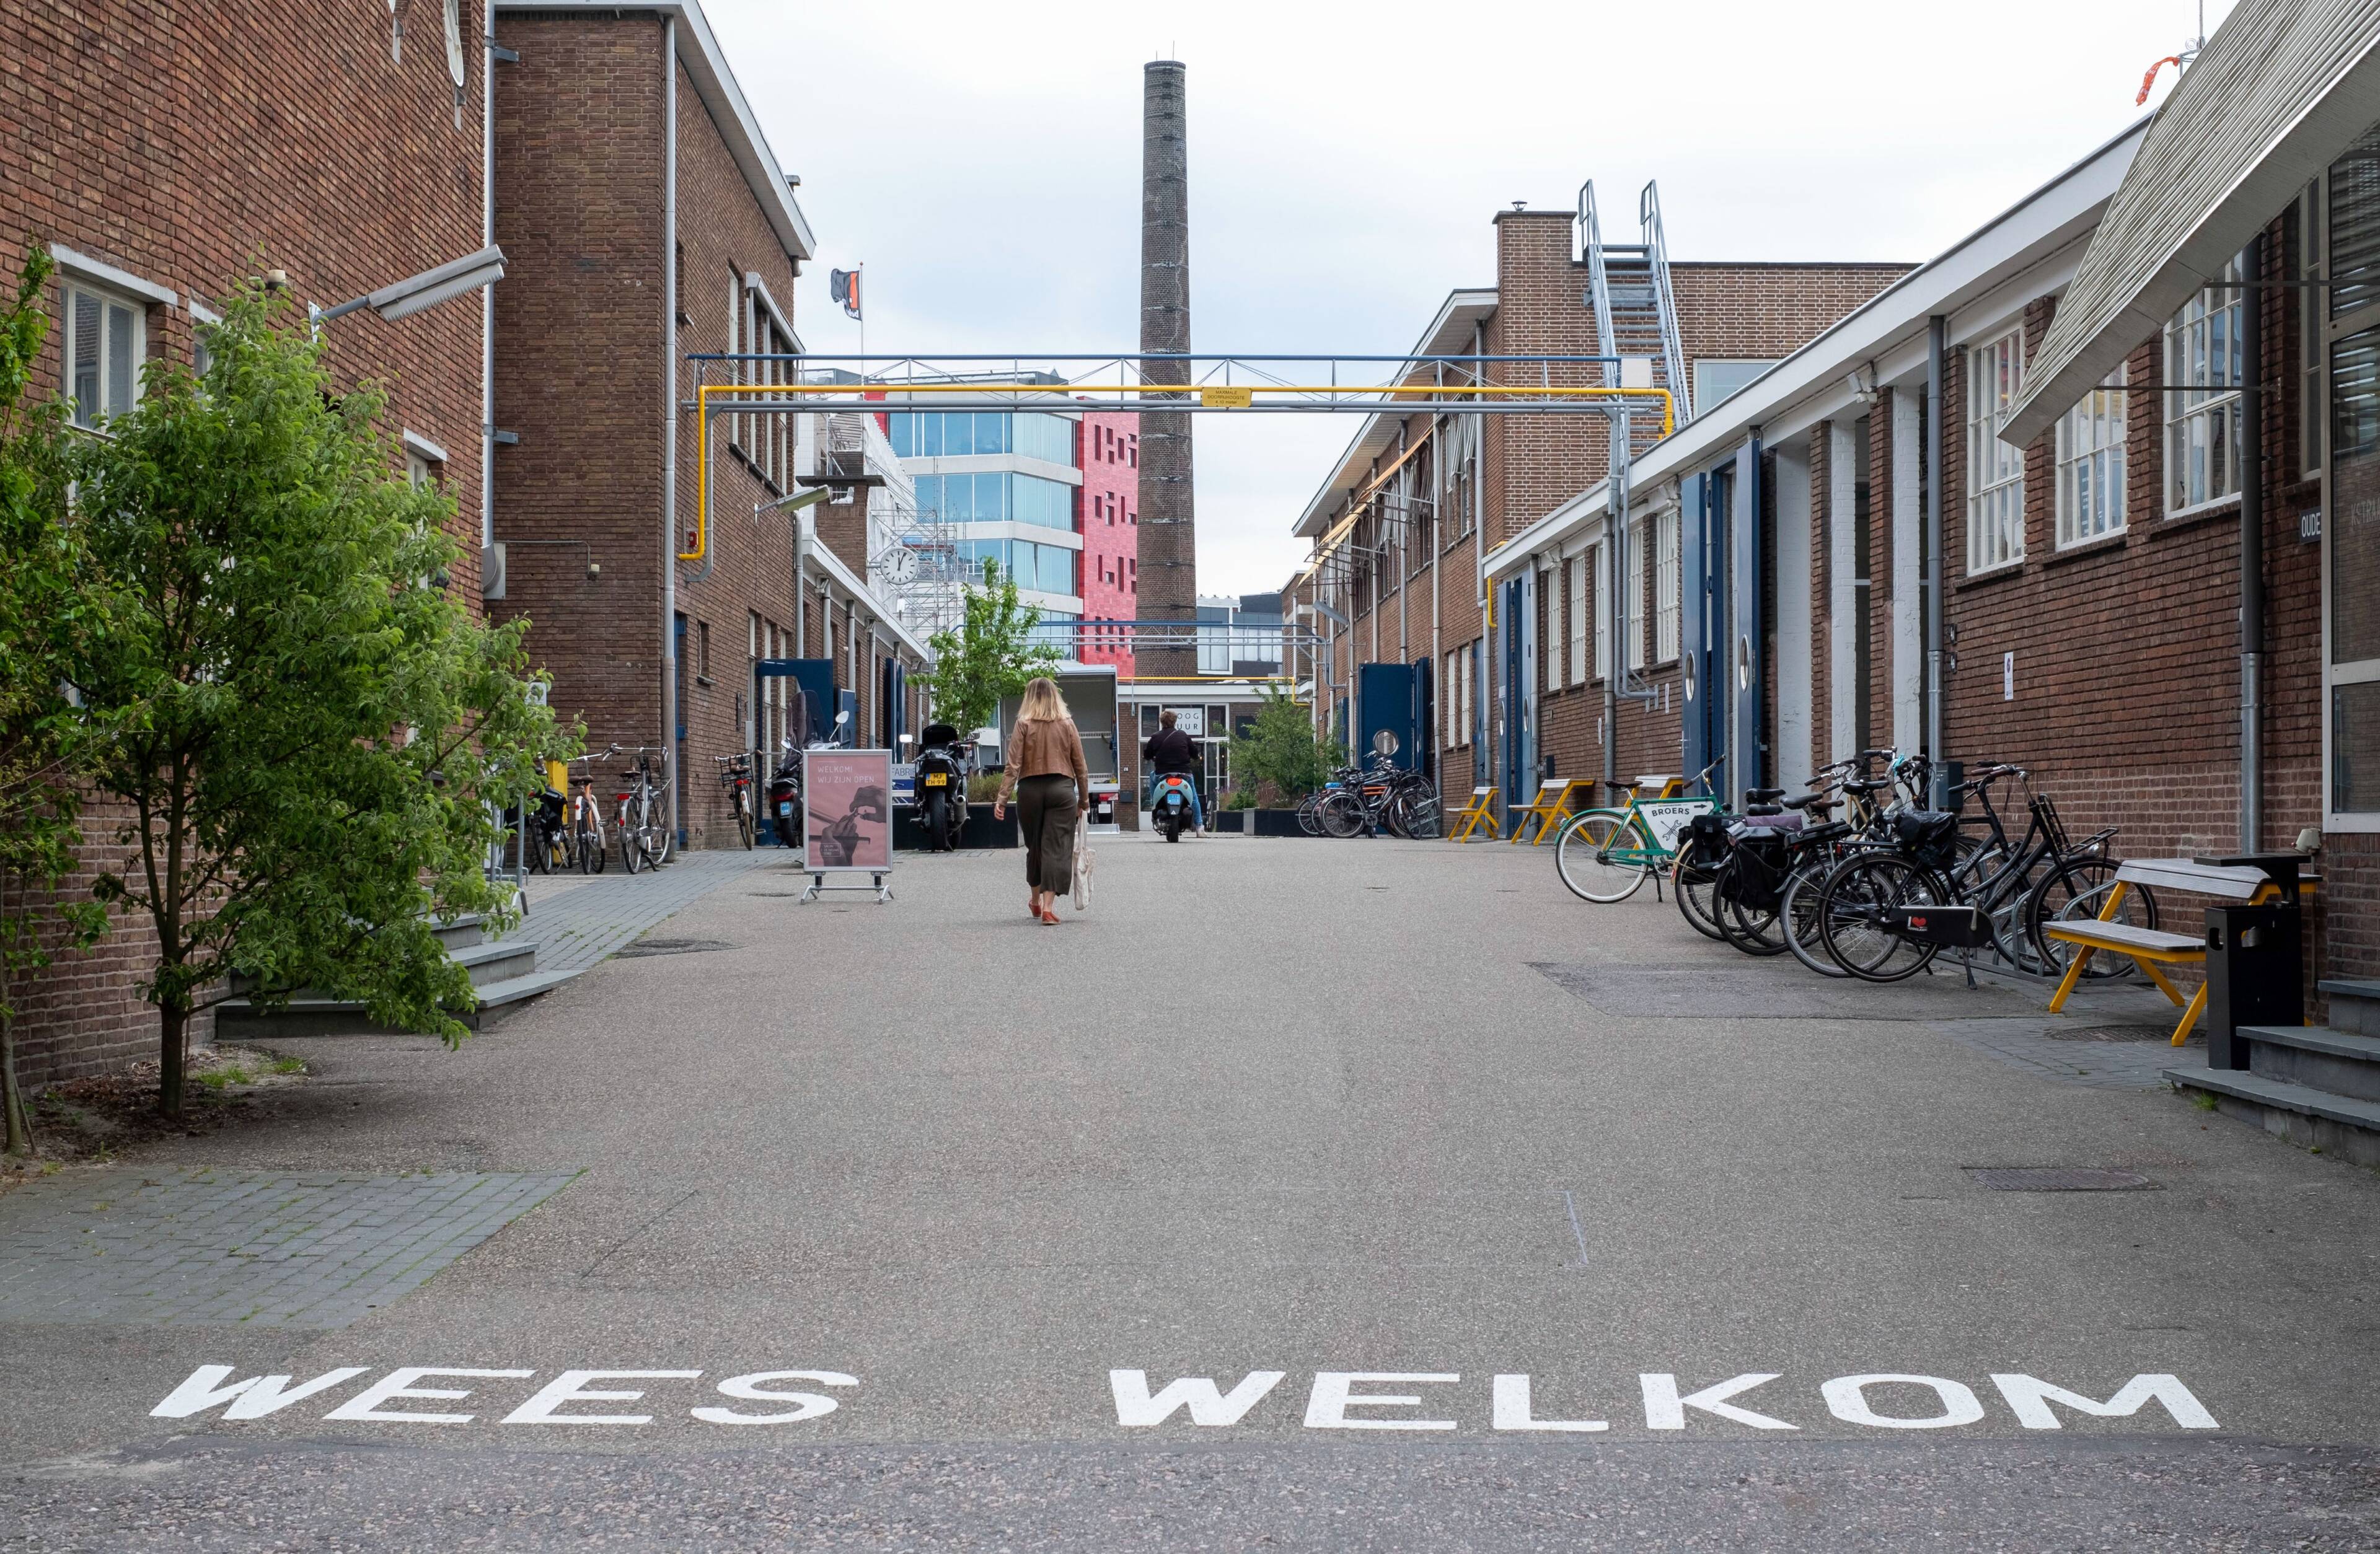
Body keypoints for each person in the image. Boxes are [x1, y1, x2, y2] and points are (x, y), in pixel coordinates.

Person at [993, 676, 1088, 925]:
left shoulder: (1023, 724)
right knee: (1056, 848)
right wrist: (1085, 801)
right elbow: (1081, 766)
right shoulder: (1067, 724)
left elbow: (1013, 765)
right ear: (1056, 696)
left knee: (1035, 847)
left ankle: (1035, 902)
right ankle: (1047, 908)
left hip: (1030, 791)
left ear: (1029, 697)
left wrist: (1002, 799)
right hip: (1062, 790)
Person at [1142, 708, 1205, 836]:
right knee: (1193, 799)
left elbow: (1147, 755)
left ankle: (1155, 803)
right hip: (1184, 775)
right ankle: (1199, 827)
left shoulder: (1155, 737)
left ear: (1161, 722)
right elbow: (1194, 754)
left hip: (1162, 775)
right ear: (1175, 721)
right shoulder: (1183, 735)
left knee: (1151, 777)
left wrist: (1151, 756)